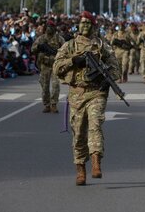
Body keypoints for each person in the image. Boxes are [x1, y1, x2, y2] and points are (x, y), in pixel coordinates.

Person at [53, 11, 120, 186]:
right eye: (82, 23)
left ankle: (96, 161)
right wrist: (73, 61)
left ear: (93, 26)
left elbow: (115, 69)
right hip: (77, 93)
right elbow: (57, 67)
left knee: (95, 123)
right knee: (79, 133)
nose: (84, 26)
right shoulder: (69, 46)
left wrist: (105, 77)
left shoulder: (102, 46)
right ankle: (80, 168)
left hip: (96, 92)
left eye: (88, 23)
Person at [31, 20, 65, 113]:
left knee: (55, 85)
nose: (49, 28)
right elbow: (33, 49)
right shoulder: (41, 39)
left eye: (51, 26)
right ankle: (47, 104)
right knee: (45, 86)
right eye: (48, 26)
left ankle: (54, 104)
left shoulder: (59, 38)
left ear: (54, 28)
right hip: (44, 65)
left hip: (55, 65)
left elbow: (65, 50)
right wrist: (39, 47)